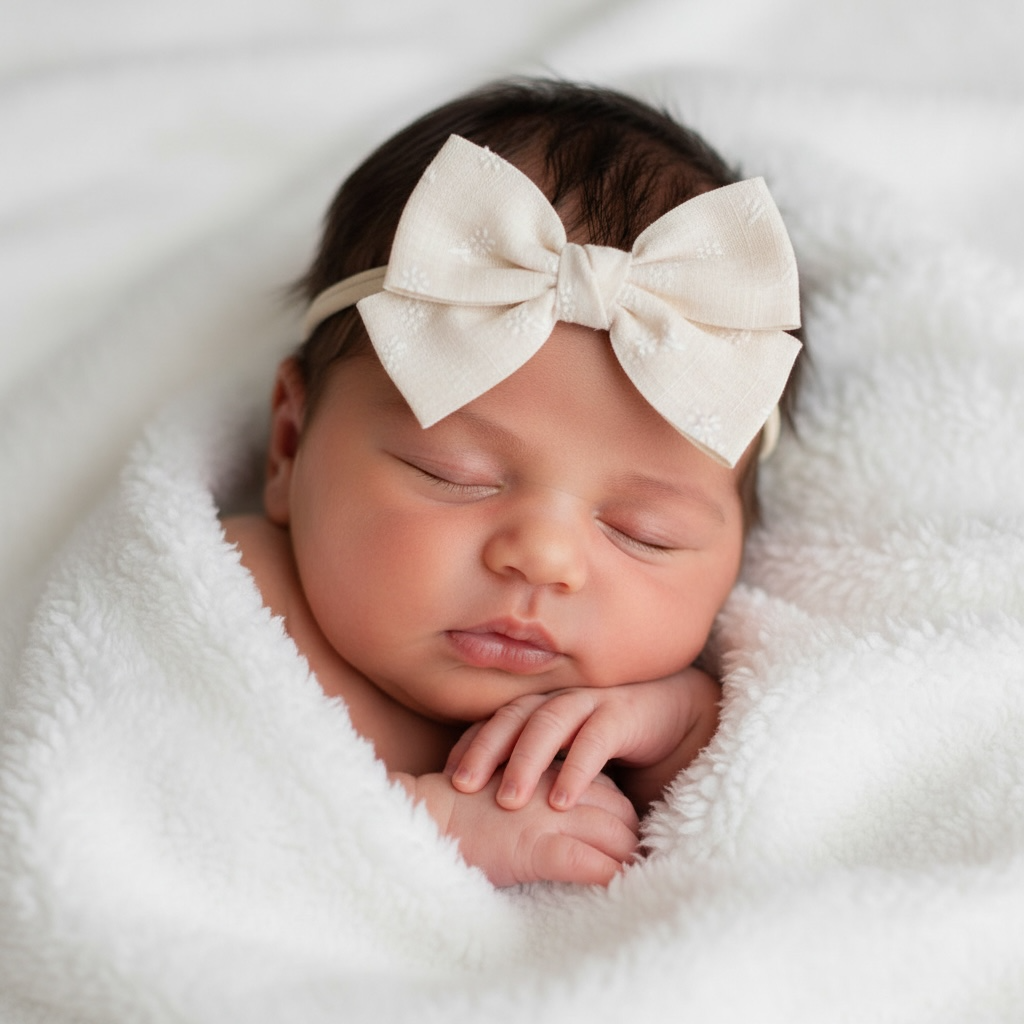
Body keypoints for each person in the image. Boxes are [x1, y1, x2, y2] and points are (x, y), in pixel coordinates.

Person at [222, 78, 803, 888]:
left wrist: (673, 730)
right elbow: (161, 817)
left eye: (645, 531)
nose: (544, 558)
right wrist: (424, 823)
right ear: (288, 445)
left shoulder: (657, 704)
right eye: (452, 476)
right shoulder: (239, 604)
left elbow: (776, 826)